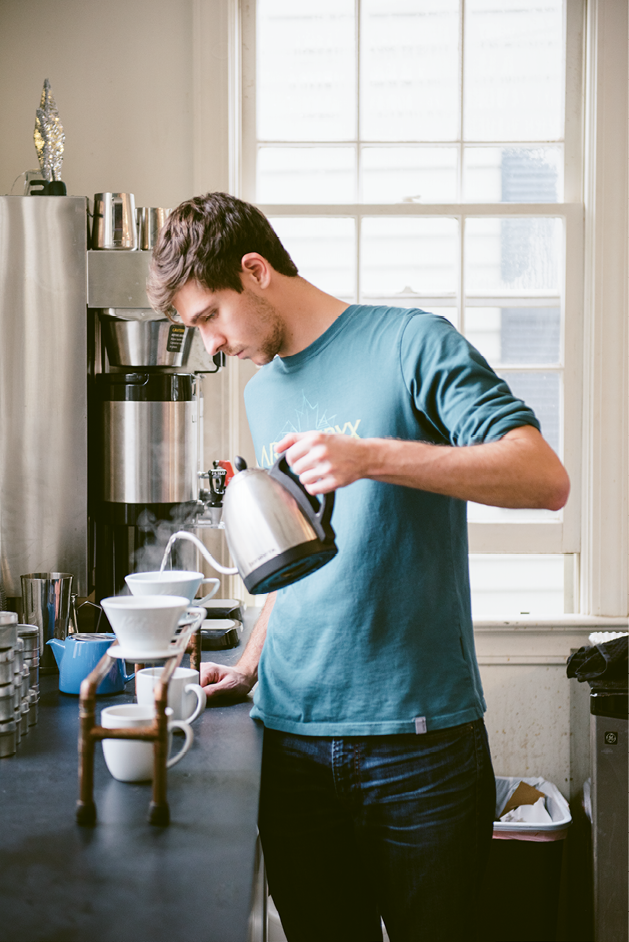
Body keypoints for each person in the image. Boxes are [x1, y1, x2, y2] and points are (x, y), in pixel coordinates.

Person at [147, 192, 569, 942]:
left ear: (254, 271)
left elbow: (540, 476)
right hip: (290, 742)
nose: (208, 345)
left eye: (208, 317)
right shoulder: (263, 390)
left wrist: (370, 456)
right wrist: (248, 664)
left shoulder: (411, 343)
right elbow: (298, 557)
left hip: (420, 746)